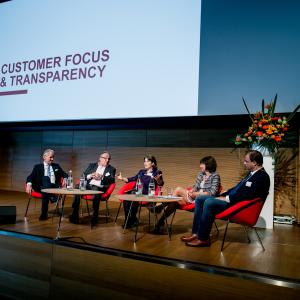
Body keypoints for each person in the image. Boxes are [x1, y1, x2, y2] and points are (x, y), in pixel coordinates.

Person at [181, 150, 270, 247]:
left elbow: (248, 195)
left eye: (246, 161)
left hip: (236, 205)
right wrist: (224, 194)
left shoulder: (262, 177)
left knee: (209, 202)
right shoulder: (252, 173)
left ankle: (203, 238)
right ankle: (195, 233)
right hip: (232, 199)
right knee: (200, 199)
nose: (244, 163)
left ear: (255, 162)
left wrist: (227, 198)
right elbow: (237, 188)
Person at [151, 156, 221, 234]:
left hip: (203, 199)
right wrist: (192, 191)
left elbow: (213, 192)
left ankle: (161, 207)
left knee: (178, 189)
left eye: (202, 164)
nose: (200, 166)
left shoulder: (215, 176)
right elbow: (196, 186)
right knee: (174, 202)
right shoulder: (201, 174)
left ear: (208, 164)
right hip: (194, 197)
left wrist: (196, 194)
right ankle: (159, 223)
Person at [69, 151, 116, 225]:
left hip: (99, 187)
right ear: (100, 158)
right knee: (78, 186)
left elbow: (112, 180)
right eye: (106, 158)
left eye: (109, 159)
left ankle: (95, 215)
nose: (108, 160)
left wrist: (102, 177)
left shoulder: (111, 169)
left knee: (95, 188)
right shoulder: (92, 165)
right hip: (89, 185)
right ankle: (75, 214)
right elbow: (83, 175)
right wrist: (91, 175)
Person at [117, 154, 164, 229]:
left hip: (148, 194)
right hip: (137, 192)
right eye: (144, 161)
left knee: (133, 193)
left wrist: (158, 180)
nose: (145, 163)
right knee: (127, 195)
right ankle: (128, 220)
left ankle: (132, 220)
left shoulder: (157, 172)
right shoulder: (141, 171)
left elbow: (161, 184)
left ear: (153, 163)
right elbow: (132, 179)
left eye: (147, 161)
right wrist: (122, 178)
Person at [26, 149, 68, 221]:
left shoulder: (56, 166)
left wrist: (65, 178)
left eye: (53, 157)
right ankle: (51, 197)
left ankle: (44, 214)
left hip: (54, 187)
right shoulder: (37, 167)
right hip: (41, 187)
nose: (52, 159)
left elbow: (65, 174)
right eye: (50, 157)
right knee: (46, 179)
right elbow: (30, 176)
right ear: (44, 157)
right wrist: (29, 184)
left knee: (46, 188)